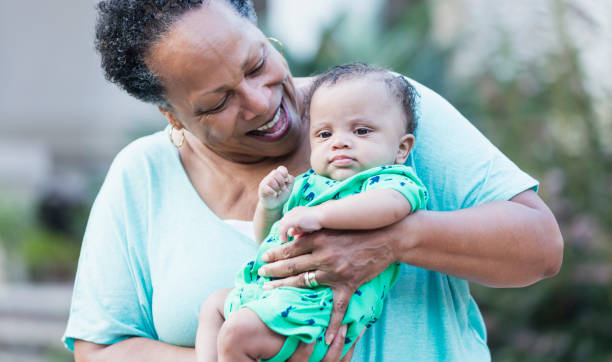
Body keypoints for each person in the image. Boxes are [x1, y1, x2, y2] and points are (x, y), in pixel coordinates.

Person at [63, 0, 564, 361]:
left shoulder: (381, 110)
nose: (260, 101)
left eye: (257, 64)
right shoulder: (142, 176)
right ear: (171, 115)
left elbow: (540, 248)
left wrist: (395, 240)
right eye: (218, 102)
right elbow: (100, 347)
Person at [196, 63, 428, 361]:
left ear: (402, 148)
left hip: (317, 309)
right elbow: (269, 240)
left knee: (237, 333)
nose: (339, 142)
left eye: (361, 130)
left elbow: (391, 208)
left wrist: (321, 216)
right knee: (213, 306)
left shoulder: (389, 180)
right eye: (324, 134)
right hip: (271, 294)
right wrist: (270, 207)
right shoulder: (309, 184)